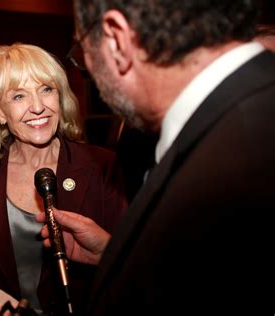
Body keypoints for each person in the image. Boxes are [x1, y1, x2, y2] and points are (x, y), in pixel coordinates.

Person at [38, 0, 275, 314]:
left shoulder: (240, 153)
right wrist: (113, 255)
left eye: (83, 51)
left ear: (116, 39)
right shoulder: (234, 117)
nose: (89, 71)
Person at [0, 43, 127, 315]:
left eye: (46, 89)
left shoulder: (102, 165)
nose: (38, 107)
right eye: (18, 96)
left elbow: (132, 266)